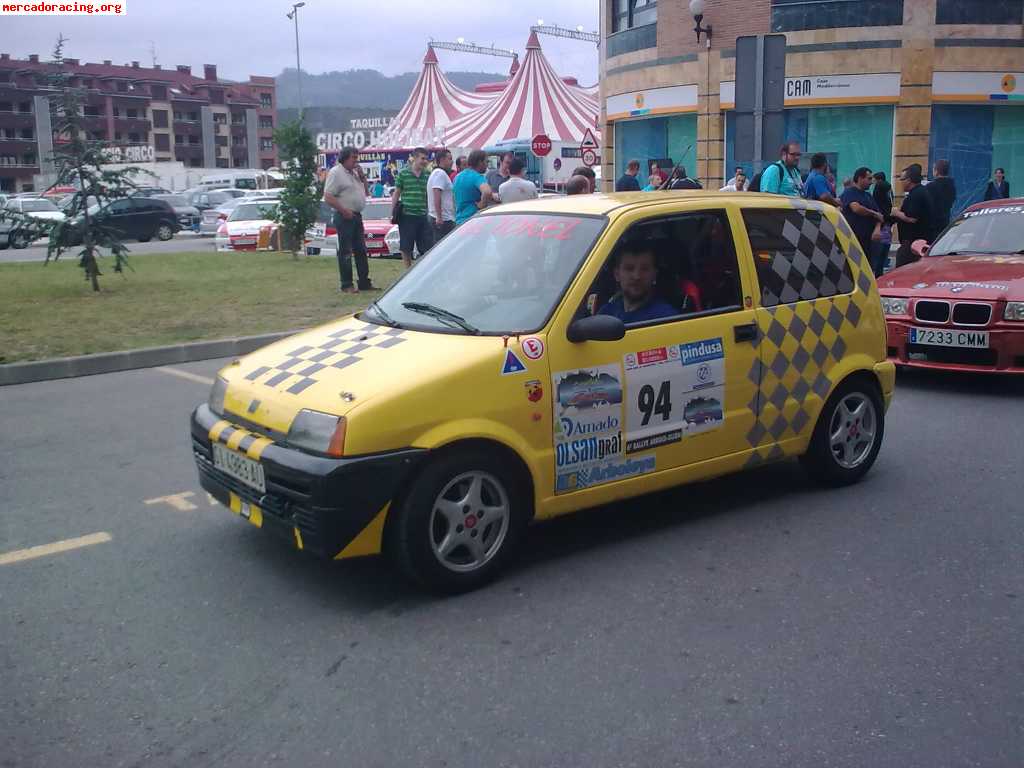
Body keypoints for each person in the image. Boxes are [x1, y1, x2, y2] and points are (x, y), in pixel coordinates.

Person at [323, 146, 375, 294]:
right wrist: (343, 210)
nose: (356, 161)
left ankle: (364, 282)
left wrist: (363, 177)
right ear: (345, 158)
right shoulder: (336, 173)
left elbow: (366, 192)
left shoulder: (354, 173)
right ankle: (346, 284)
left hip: (356, 215)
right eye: (354, 158)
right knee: (346, 251)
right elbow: (328, 196)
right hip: (344, 215)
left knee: (361, 250)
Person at [598, 246, 677, 323]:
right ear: (617, 275)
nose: (637, 276)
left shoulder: (666, 318)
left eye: (644, 269)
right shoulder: (606, 313)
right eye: (629, 268)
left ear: (654, 275)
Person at [392, 147, 433, 269]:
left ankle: (424, 269)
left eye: (426, 159)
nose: (425, 161)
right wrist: (393, 211)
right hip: (407, 215)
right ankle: (407, 270)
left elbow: (428, 195)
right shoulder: (403, 174)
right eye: (422, 158)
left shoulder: (428, 175)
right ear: (414, 158)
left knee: (426, 246)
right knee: (406, 246)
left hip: (422, 215)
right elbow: (397, 193)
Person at [841, 167, 884, 267]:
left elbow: (880, 216)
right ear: (860, 178)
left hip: (869, 242)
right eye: (869, 179)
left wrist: (877, 229)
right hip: (854, 241)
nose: (871, 182)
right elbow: (856, 208)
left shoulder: (868, 196)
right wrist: (873, 213)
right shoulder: (849, 192)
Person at [892, 164, 933, 268]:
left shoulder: (916, 194)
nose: (900, 182)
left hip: (912, 244)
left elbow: (911, 218)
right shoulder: (919, 192)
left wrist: (896, 212)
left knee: (901, 272)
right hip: (917, 242)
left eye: (902, 179)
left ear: (909, 180)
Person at [453, 149, 495, 225]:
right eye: (486, 161)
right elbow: (487, 192)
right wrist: (482, 204)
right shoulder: (477, 177)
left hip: (459, 222)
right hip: (474, 221)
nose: (487, 165)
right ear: (480, 162)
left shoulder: (457, 177)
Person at [427, 148, 456, 240]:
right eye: (450, 159)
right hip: (443, 219)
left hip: (443, 217)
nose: (452, 162)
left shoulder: (438, 173)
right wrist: (439, 217)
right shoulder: (440, 174)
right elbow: (437, 193)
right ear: (442, 160)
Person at [871, 172, 895, 277]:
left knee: (877, 255)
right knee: (883, 253)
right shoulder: (889, 188)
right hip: (888, 224)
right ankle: (880, 275)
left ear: (878, 180)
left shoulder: (879, 188)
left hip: (880, 224)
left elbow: (876, 205)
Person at [927, 158, 956, 237]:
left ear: (936, 171)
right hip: (945, 221)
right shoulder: (951, 185)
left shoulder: (931, 186)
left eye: (933, 169)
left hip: (932, 225)